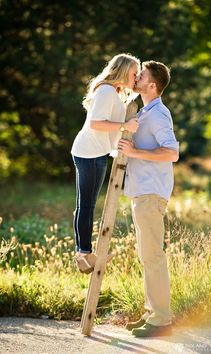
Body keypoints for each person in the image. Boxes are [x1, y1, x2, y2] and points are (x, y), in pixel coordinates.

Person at [118, 60, 179, 337]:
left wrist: (134, 153)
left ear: (151, 85)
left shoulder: (158, 115)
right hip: (142, 193)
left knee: (153, 256)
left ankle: (162, 321)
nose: (136, 77)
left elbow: (171, 153)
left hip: (151, 194)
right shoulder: (145, 112)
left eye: (140, 75)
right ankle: (152, 314)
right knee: (147, 256)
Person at [71, 53, 140, 274]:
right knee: (87, 205)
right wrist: (124, 126)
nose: (136, 77)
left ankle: (82, 256)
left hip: (94, 152)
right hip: (90, 153)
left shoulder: (114, 92)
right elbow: (96, 124)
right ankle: (84, 254)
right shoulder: (106, 91)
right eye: (134, 73)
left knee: (85, 204)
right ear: (122, 70)